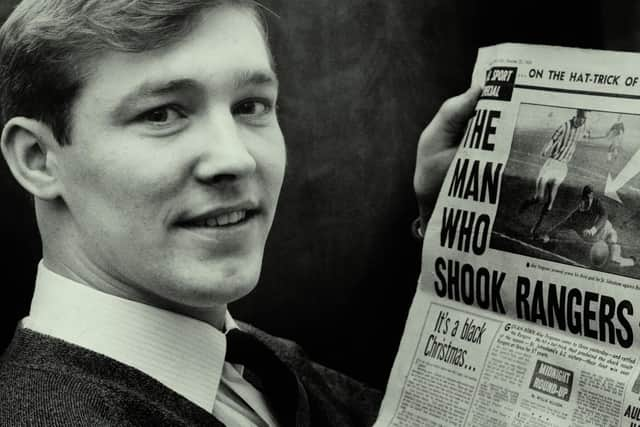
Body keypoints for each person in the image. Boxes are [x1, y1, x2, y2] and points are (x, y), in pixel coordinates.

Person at [0, 0, 481, 425]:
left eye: (250, 105)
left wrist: (457, 243)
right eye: (162, 114)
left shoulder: (268, 369)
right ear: (38, 159)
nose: (236, 159)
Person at [519, 109, 588, 237]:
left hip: (562, 167)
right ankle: (528, 202)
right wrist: (546, 148)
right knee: (539, 197)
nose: (583, 122)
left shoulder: (583, 128)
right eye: (582, 119)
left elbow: (587, 136)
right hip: (552, 163)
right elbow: (553, 139)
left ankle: (535, 228)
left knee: (550, 203)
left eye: (585, 120)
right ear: (577, 117)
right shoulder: (565, 126)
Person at [540, 185, 635, 267]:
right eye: (585, 199)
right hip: (596, 242)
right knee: (597, 260)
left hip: (608, 232)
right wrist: (548, 235)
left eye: (589, 198)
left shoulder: (596, 203)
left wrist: (592, 230)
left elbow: (604, 215)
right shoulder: (575, 217)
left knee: (615, 259)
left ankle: (631, 261)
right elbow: (561, 225)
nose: (587, 201)